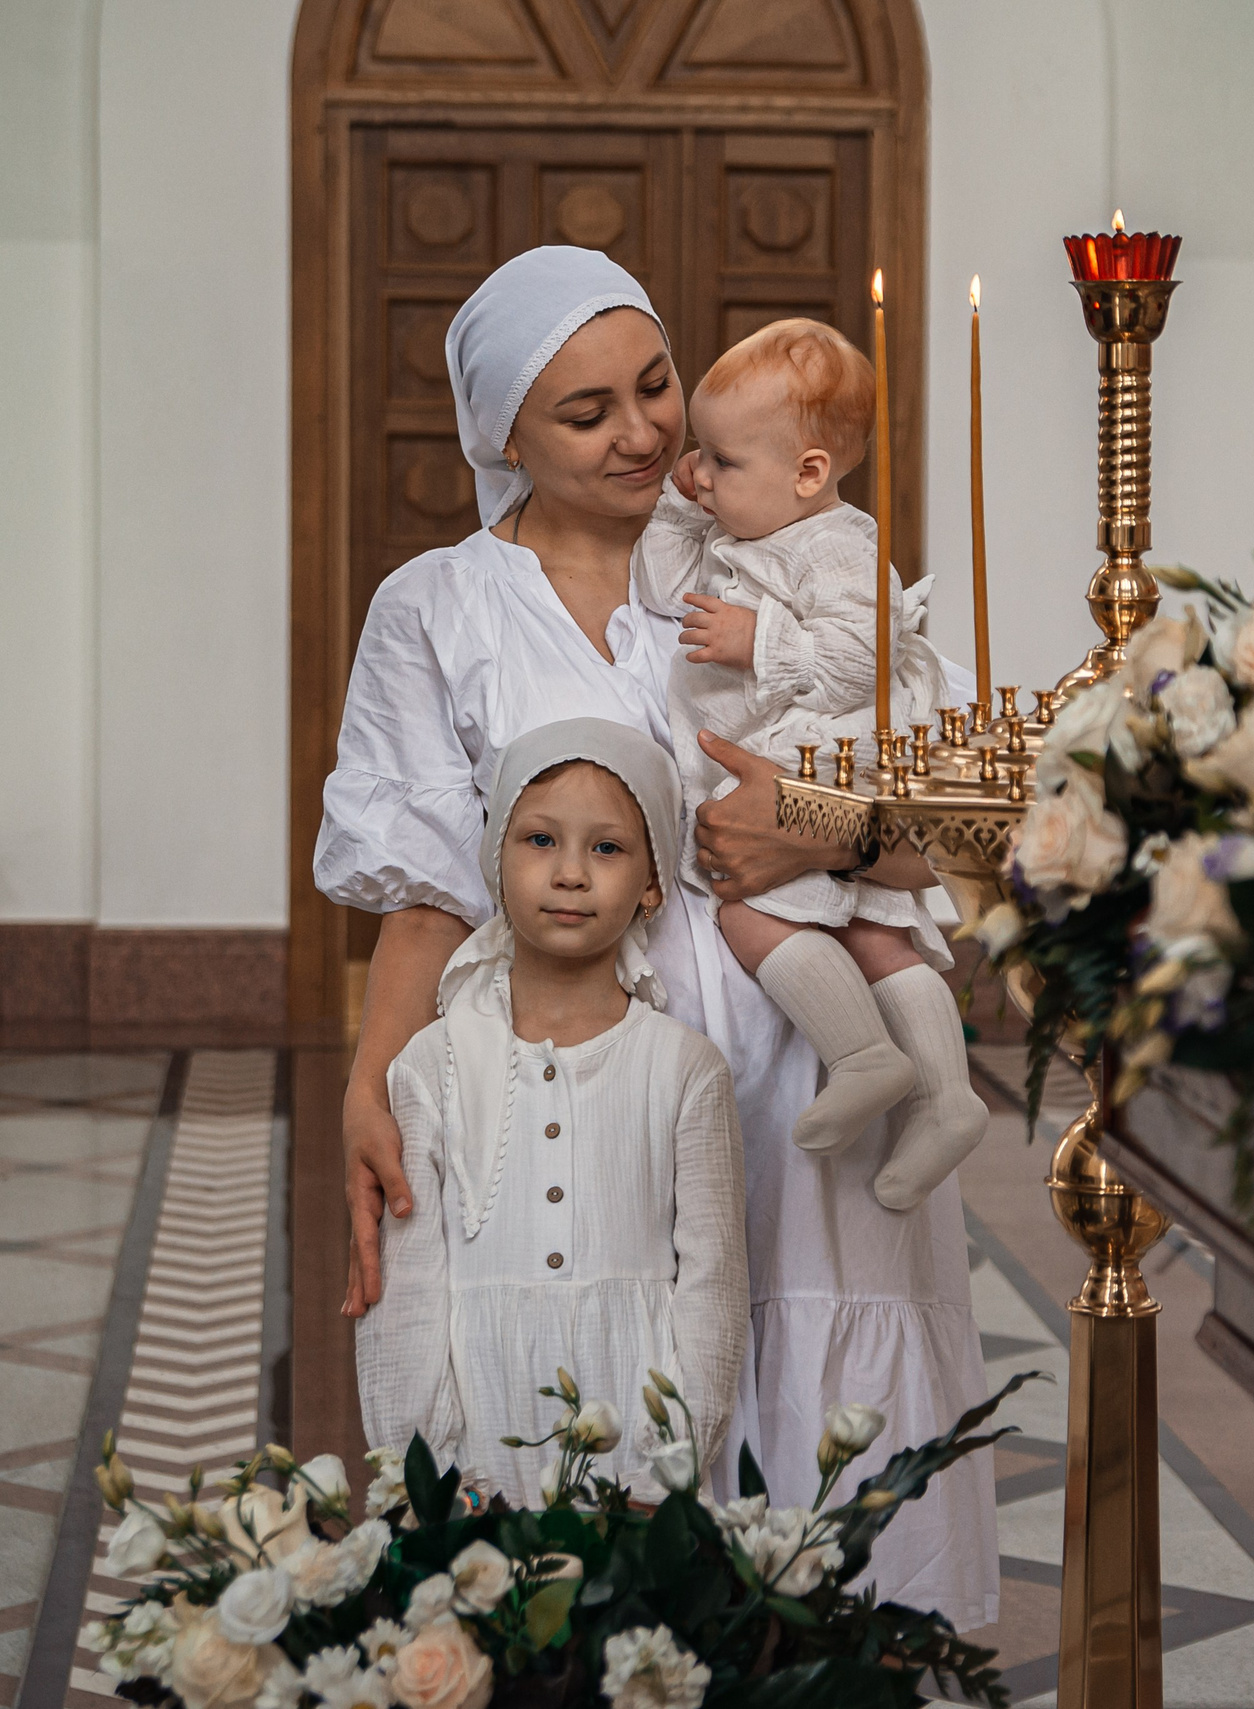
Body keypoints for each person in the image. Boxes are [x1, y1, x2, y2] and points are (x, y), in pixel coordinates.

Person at [316, 246, 996, 1627]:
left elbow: (971, 812)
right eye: (587, 413)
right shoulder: (438, 608)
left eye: (656, 385)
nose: (643, 430)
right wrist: (371, 1082)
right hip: (573, 1074)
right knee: (604, 1386)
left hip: (813, 1056)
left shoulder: (796, 565)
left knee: (825, 1381)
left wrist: (821, 827)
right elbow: (429, 888)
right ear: (504, 431)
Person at [631, 316, 987, 1206]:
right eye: (699, 456)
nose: (700, 473)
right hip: (802, 763)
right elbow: (660, 583)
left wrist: (762, 639)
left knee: (748, 911)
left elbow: (861, 654)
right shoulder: (748, 534)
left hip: (836, 764)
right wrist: (681, 501)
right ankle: (944, 1097)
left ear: (810, 473)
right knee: (875, 931)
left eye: (720, 460)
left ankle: (865, 1055)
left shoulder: (839, 546)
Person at [357, 719, 745, 1506]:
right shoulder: (430, 1067)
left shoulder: (685, 1069)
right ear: (496, 863)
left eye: (606, 848)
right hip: (475, 1453)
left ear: (652, 882)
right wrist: (424, 1478)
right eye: (539, 840)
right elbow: (408, 1297)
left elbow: (713, 1287)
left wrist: (666, 1467)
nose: (570, 873)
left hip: (636, 1442)